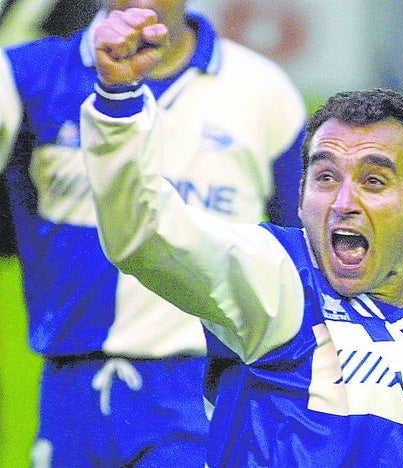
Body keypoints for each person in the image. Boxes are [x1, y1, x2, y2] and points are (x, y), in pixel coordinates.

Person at [80, 12, 403, 468]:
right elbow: (145, 232)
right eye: (326, 177)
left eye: (372, 181)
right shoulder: (276, 281)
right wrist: (118, 101)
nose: (344, 201)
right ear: (302, 194)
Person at [0, 1, 306, 466]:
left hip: (199, 386)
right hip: (69, 387)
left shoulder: (263, 91)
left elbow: (302, 250)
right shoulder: (26, 76)